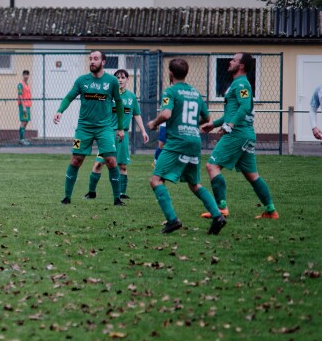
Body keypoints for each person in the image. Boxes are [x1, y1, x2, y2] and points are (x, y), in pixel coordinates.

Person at [147, 58, 227, 235]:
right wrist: (190, 124)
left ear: (170, 73)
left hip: (177, 141)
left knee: (156, 180)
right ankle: (217, 216)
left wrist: (153, 123)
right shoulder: (195, 93)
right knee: (195, 184)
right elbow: (207, 119)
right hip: (194, 140)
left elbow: (166, 114)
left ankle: (172, 220)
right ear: (186, 73)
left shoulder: (170, 91)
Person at [199, 52, 278, 220]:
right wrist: (214, 124)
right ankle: (271, 210)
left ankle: (221, 208)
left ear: (241, 65)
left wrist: (231, 125)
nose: (230, 61)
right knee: (252, 175)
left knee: (212, 166)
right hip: (246, 134)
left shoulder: (242, 84)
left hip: (237, 134)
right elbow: (232, 112)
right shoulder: (238, 84)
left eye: (233, 60)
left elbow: (244, 107)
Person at [53, 50, 125, 206]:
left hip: (104, 128)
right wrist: (60, 110)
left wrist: (120, 128)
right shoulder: (82, 80)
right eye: (90, 59)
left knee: (111, 161)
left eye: (96, 59)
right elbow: (69, 96)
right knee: (75, 160)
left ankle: (117, 199)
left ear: (103, 62)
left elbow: (119, 103)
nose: (92, 61)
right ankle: (67, 197)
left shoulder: (111, 81)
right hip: (83, 129)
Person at [85, 69, 149, 199]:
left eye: (123, 77)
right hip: (107, 134)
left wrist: (143, 131)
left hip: (122, 135)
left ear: (127, 79)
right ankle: (91, 192)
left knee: (122, 166)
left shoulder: (131, 97)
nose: (120, 80)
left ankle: (121, 193)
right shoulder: (109, 95)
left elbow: (136, 114)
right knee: (99, 163)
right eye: (117, 78)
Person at [17, 70, 32, 146]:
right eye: (25, 75)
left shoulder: (27, 84)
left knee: (26, 121)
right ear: (23, 75)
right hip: (24, 105)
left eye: (27, 75)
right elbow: (20, 95)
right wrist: (23, 106)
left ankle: (22, 138)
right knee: (24, 121)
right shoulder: (20, 84)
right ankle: (21, 139)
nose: (26, 76)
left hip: (28, 105)